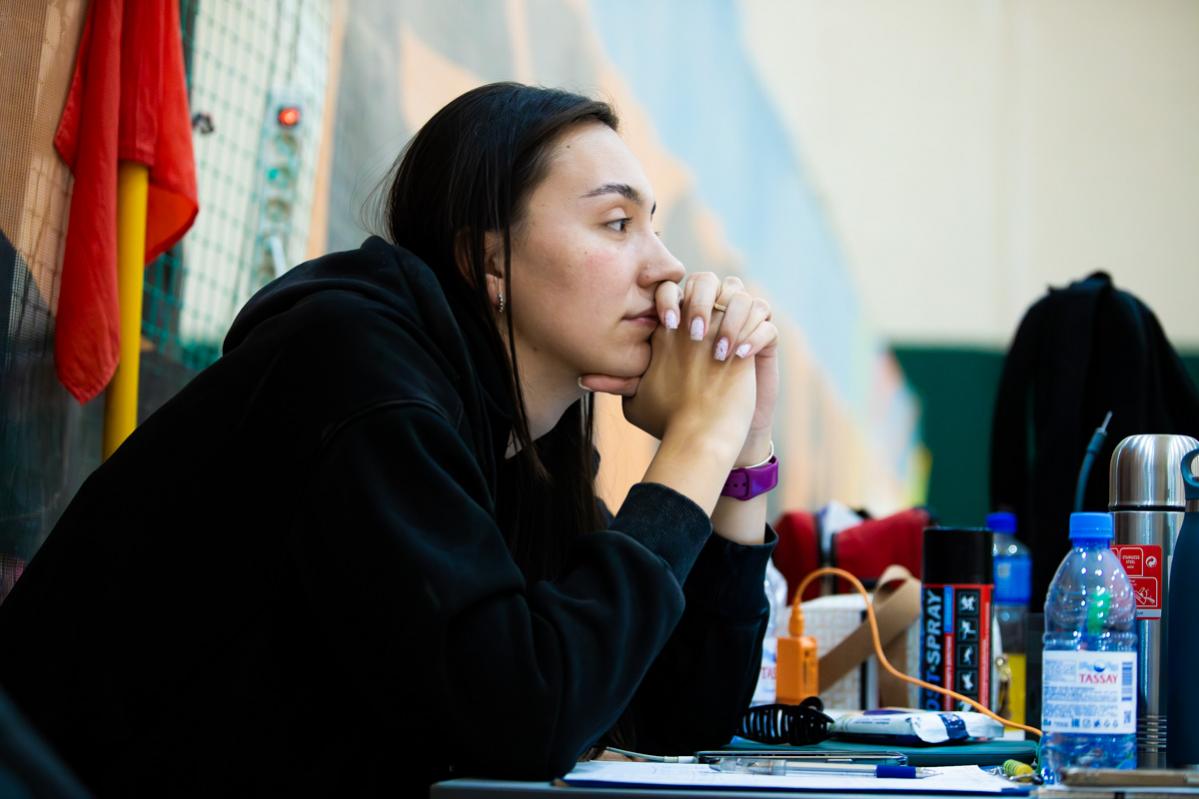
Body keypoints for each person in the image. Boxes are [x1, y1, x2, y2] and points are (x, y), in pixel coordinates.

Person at [0, 82, 781, 796]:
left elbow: (675, 715)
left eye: (655, 226)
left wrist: (743, 450)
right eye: (616, 224)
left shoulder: (522, 446)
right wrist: (695, 439)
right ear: (488, 261)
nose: (667, 269)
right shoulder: (355, 372)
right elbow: (520, 714)